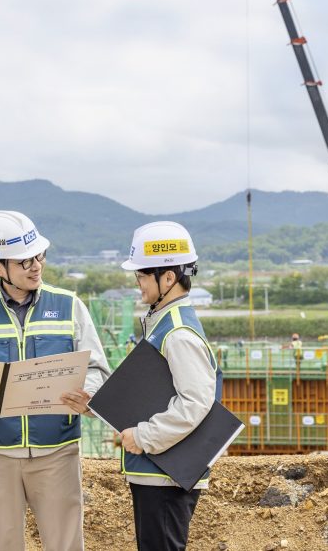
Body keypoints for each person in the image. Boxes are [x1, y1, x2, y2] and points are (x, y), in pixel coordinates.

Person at [0, 210, 110, 551]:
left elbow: (97, 369)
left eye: (39, 256)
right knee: (1, 544)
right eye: (24, 261)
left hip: (58, 452)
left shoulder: (69, 306)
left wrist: (89, 395)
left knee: (65, 545)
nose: (36, 266)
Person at [118, 221, 220, 551]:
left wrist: (143, 436)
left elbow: (195, 402)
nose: (138, 284)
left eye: (141, 276)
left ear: (168, 277)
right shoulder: (165, 323)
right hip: (158, 472)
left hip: (164, 475)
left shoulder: (177, 333)